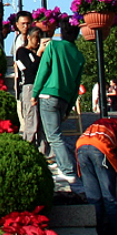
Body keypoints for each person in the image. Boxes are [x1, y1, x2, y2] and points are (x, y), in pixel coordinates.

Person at [32, 19, 85, 187]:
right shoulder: (78, 55)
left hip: (48, 94)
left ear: (61, 32)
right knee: (57, 133)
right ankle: (62, 164)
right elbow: (76, 84)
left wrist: (35, 92)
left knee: (53, 135)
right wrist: (69, 106)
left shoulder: (53, 47)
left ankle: (68, 170)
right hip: (64, 97)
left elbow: (43, 70)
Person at [15, 27, 50, 160]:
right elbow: (30, 69)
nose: (38, 42)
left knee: (43, 121)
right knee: (32, 120)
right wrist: (39, 53)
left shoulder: (41, 53)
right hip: (30, 87)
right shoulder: (22, 52)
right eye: (36, 38)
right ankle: (27, 150)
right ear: (29, 37)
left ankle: (44, 152)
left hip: (43, 88)